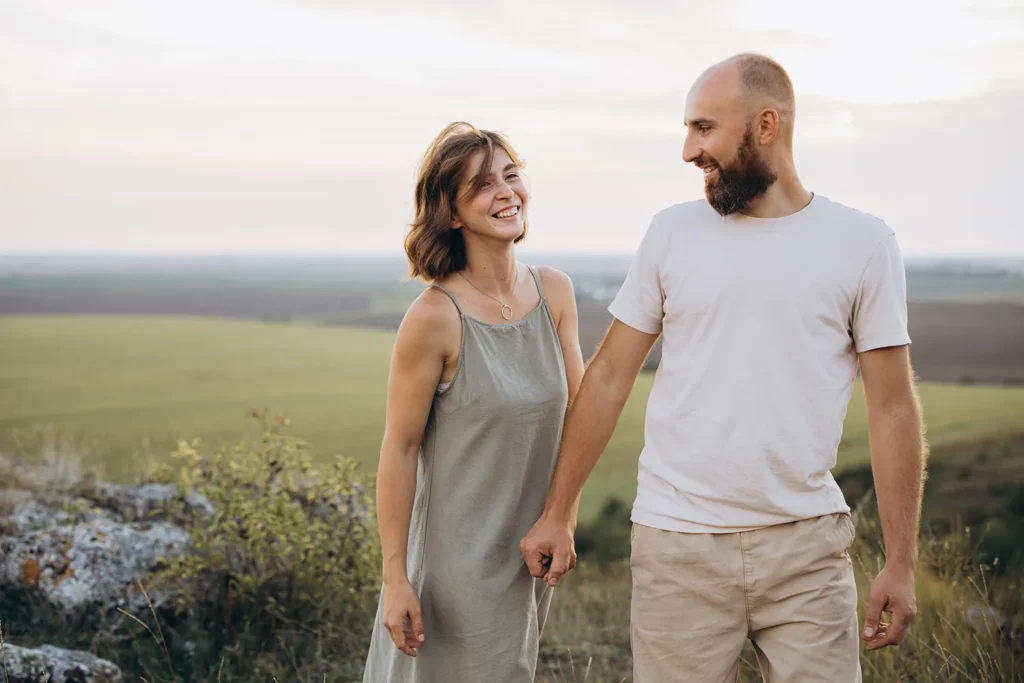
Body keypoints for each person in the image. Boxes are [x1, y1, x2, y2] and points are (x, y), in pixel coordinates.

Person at [520, 53, 928, 682]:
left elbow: (893, 407)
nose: (689, 151)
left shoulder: (864, 244)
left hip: (808, 551)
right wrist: (558, 511)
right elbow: (608, 376)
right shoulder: (671, 233)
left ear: (766, 125)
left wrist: (900, 562)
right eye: (688, 129)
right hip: (677, 547)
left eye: (704, 128)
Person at [361, 121, 585, 683]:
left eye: (511, 175)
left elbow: (580, 421)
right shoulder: (434, 317)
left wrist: (563, 518)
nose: (506, 192)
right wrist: (396, 579)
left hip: (530, 552)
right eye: (483, 185)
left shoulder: (555, 292)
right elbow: (399, 449)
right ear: (452, 213)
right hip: (452, 568)